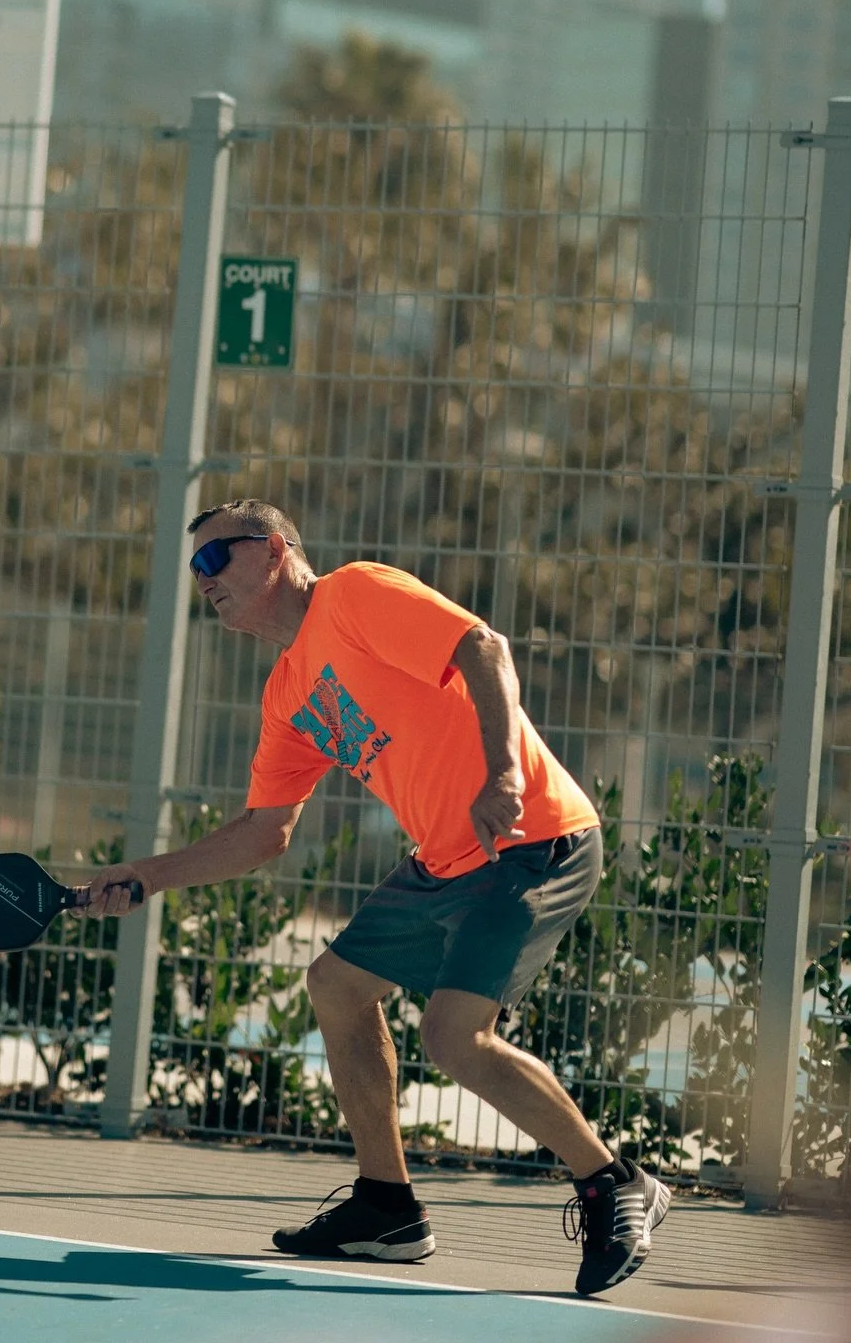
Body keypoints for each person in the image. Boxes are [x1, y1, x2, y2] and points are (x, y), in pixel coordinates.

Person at [80, 499, 669, 1297]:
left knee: (456, 1038)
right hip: (447, 861)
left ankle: (613, 1183)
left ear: (277, 551)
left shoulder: (352, 596)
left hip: (532, 838)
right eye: (195, 569)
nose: (205, 580)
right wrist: (146, 876)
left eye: (218, 559)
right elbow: (262, 834)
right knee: (336, 984)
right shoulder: (288, 692)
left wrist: (502, 773)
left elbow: (483, 647)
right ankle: (387, 1207)